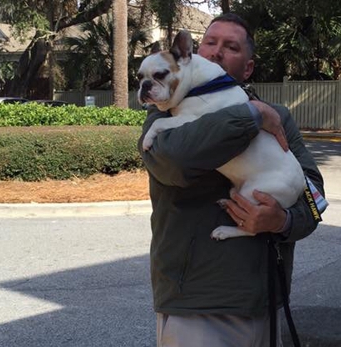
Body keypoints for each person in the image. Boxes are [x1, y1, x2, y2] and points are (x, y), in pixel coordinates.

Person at [138, 13, 326, 347]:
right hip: (196, 306)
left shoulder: (278, 117)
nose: (216, 51)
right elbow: (178, 162)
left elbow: (314, 197)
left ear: (248, 68)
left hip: (265, 301)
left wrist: (283, 220)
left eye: (231, 46)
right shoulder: (166, 113)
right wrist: (253, 115)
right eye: (209, 42)